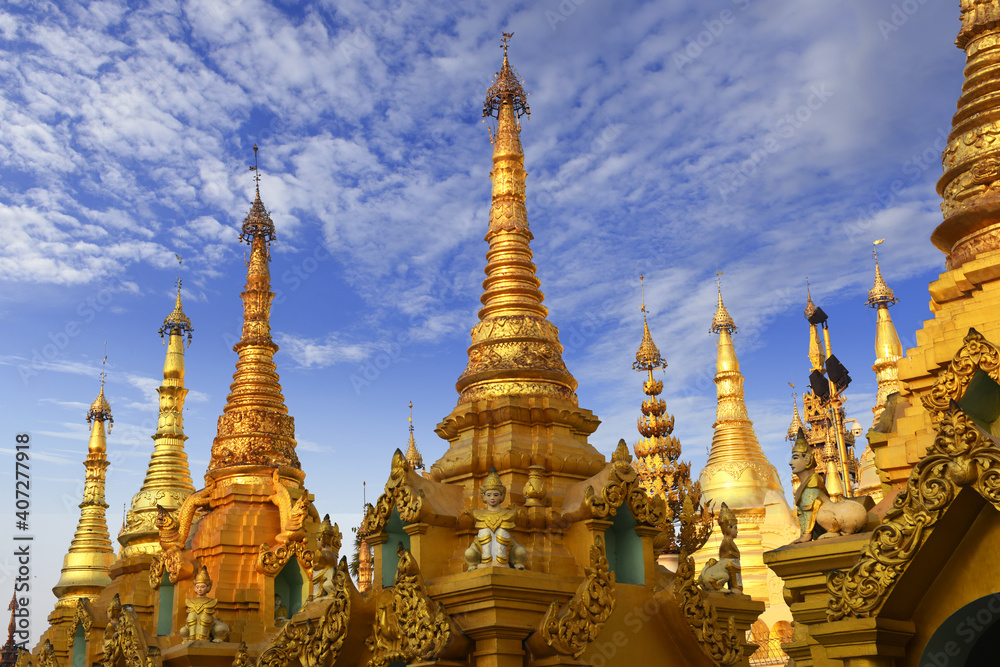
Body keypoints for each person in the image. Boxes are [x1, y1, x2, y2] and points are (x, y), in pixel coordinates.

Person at [464, 468, 527, 570]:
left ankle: (504, 562)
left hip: (506, 552)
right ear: (483, 496)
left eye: (496, 495)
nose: (492, 498)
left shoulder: (508, 514)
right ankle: (479, 563)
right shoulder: (478, 514)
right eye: (489, 495)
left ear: (502, 496)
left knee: (519, 550)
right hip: (481, 549)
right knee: (470, 552)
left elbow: (505, 538)